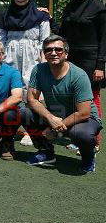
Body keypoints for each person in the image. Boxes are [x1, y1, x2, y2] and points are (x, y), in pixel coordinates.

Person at [22, 35, 102, 174]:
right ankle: (46, 152)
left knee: (81, 133)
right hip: (56, 116)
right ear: (44, 54)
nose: (53, 53)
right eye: (48, 50)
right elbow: (32, 99)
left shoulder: (79, 75)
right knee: (25, 113)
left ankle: (88, 158)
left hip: (84, 119)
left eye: (58, 49)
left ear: (66, 53)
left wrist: (54, 130)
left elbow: (84, 113)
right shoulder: (39, 70)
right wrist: (50, 118)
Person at [0, 0, 51, 146]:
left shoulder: (41, 16)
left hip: (32, 56)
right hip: (10, 56)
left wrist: (43, 61)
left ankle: (30, 130)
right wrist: (0, 58)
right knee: (10, 91)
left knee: (31, 92)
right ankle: (9, 128)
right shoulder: (5, 15)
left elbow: (45, 40)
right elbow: (1, 39)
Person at [56, 0, 105, 153]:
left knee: (91, 98)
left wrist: (100, 65)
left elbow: (104, 39)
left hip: (91, 60)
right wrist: (47, 18)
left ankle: (94, 140)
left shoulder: (99, 9)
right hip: (71, 58)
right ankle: (78, 137)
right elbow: (62, 32)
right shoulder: (69, 7)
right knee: (72, 98)